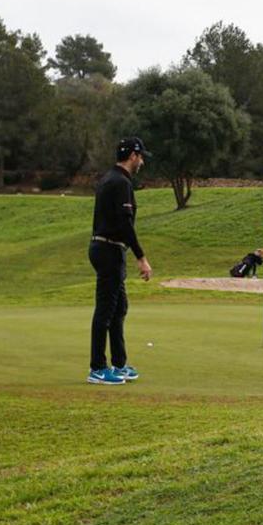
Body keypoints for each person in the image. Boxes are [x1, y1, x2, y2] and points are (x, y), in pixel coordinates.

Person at [87, 137, 153, 385]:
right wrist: (141, 258)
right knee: (105, 310)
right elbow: (125, 224)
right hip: (109, 249)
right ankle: (97, 368)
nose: (142, 161)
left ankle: (119, 363)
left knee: (119, 307)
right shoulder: (120, 182)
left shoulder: (110, 179)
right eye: (141, 156)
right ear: (133, 156)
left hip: (106, 248)